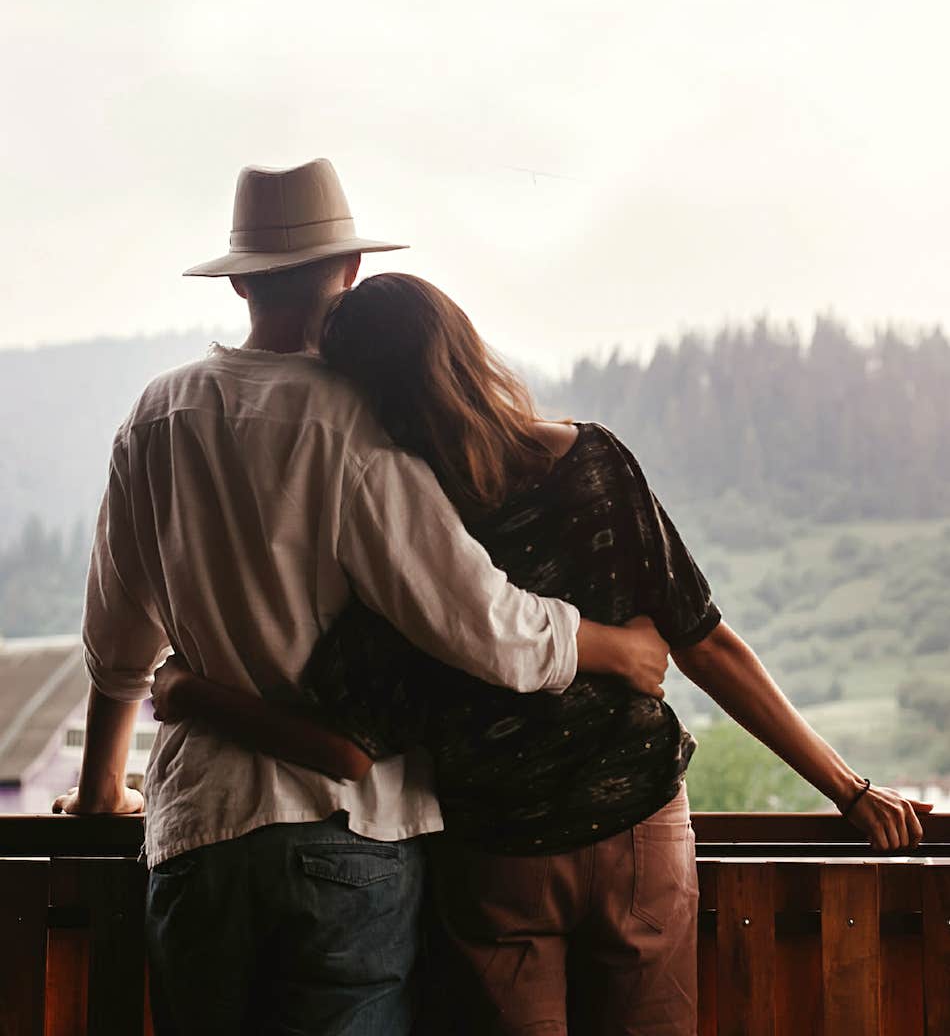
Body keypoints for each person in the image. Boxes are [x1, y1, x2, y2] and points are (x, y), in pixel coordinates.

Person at [153, 272, 933, 1036]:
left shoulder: (406, 536)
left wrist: (187, 691)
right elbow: (706, 643)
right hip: (638, 828)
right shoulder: (591, 465)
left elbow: (345, 746)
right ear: (461, 347)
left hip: (499, 860)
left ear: (360, 394)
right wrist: (849, 790)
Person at [52, 160, 666, 1036]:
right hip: (351, 828)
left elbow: (117, 648)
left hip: (198, 829)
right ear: (346, 275)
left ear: (238, 280)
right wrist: (614, 647)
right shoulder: (360, 423)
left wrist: (105, 794)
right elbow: (484, 627)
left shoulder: (155, 418)